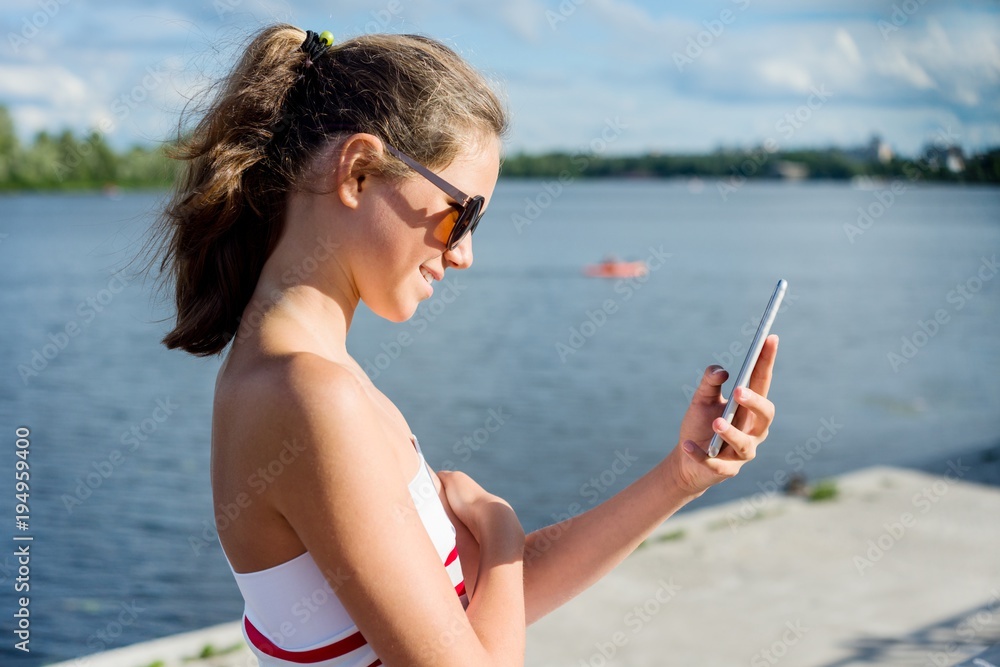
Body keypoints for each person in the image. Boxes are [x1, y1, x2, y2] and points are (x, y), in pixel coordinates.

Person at [153, 24, 778, 667]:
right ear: (360, 172)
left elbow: (466, 615)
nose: (466, 255)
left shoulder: (306, 382)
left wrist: (679, 477)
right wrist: (499, 521)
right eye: (463, 214)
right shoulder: (310, 398)